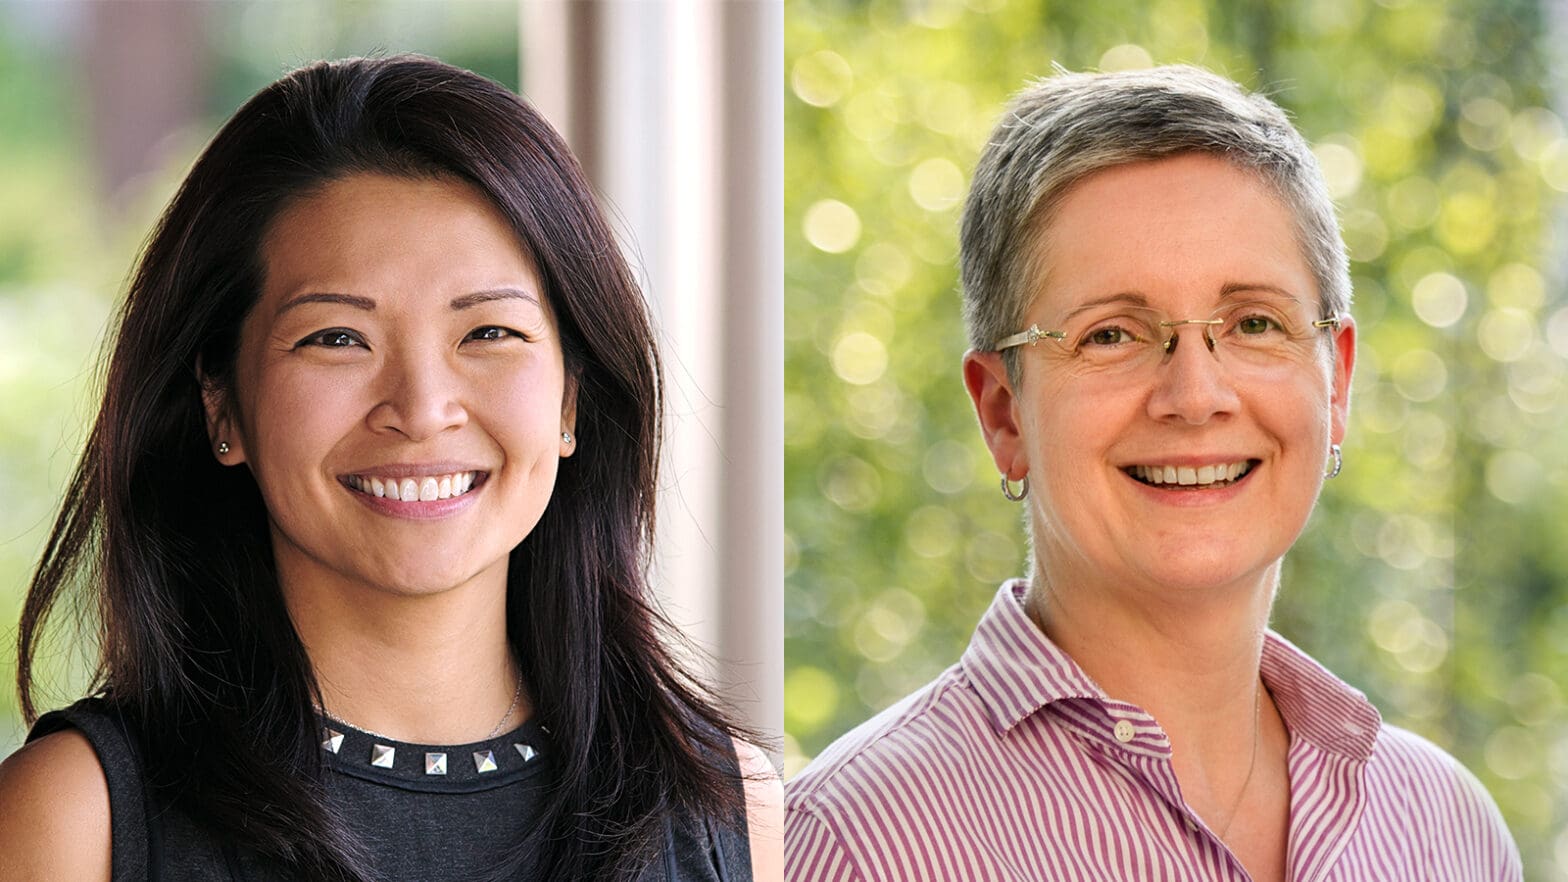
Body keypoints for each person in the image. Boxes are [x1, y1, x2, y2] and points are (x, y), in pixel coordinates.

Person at [0, 54, 779, 882]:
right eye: (337, 338)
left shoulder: (727, 808)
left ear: (570, 402)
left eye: (488, 334)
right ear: (220, 403)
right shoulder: (75, 819)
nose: (421, 407)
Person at [784, 65, 1520, 882]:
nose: (1195, 395)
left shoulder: (1447, 831)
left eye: (1253, 322)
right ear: (1004, 412)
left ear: (1336, 382)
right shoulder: (848, 848)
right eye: (1111, 335)